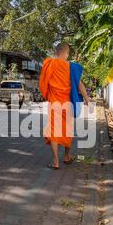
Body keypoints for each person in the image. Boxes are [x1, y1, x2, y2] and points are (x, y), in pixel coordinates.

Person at [39, 42, 90, 170]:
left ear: (57, 52)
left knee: (54, 131)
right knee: (68, 130)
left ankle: (56, 162)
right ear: (66, 52)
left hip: (54, 103)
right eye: (68, 53)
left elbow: (44, 85)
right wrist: (87, 99)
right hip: (67, 104)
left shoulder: (49, 64)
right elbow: (79, 84)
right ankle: (67, 156)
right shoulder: (72, 67)